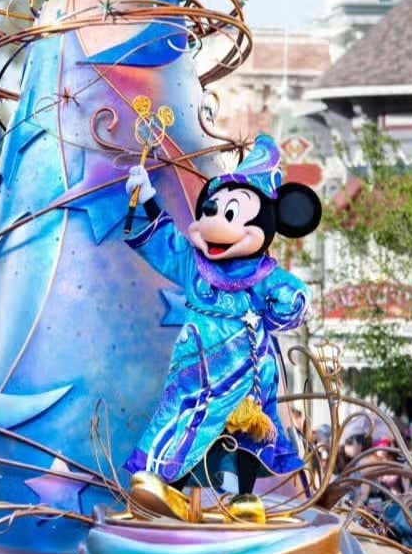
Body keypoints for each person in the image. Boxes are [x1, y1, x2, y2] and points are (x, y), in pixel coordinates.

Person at [121, 136, 323, 524]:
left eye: (230, 215)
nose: (214, 224)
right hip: (193, 373)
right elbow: (166, 242)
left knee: (243, 435)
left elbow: (289, 297)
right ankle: (167, 490)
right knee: (178, 423)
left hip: (243, 372)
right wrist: (146, 198)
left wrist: (289, 300)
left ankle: (241, 498)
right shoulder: (194, 265)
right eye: (211, 211)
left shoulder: (261, 275)